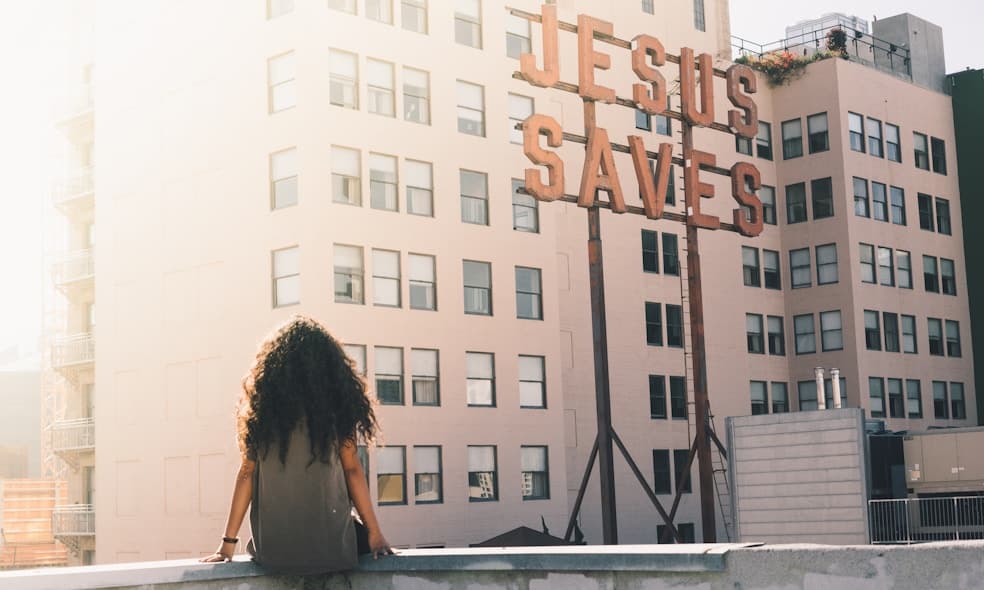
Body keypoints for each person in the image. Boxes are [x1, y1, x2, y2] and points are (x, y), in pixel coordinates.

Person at [200, 316, 393, 572]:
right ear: (329, 367)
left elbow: (247, 473)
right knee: (354, 531)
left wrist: (227, 544)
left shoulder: (262, 413)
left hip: (274, 553)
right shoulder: (335, 412)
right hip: (330, 551)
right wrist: (375, 534)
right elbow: (352, 471)